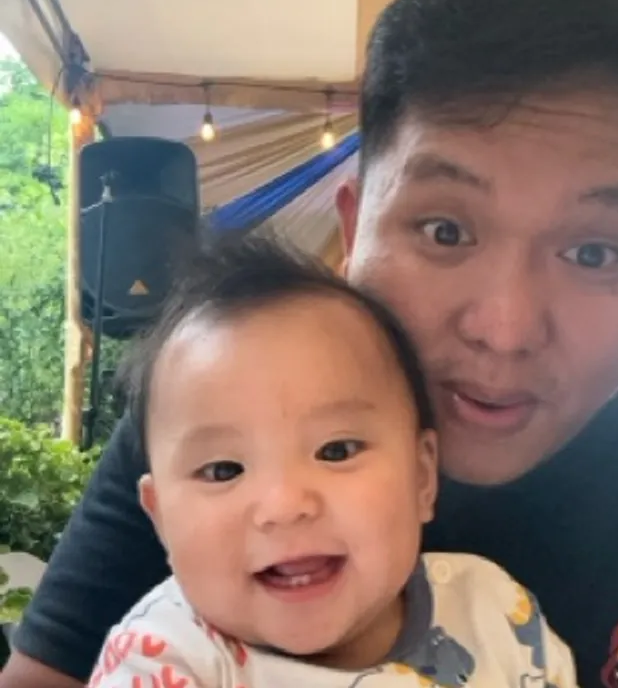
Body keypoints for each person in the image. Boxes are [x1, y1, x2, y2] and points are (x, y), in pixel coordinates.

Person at [3, 0, 618, 686]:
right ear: (352, 229)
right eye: (444, 231)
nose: (504, 329)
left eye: (594, 253)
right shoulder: (219, 423)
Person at [86, 234, 576, 688]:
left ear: (422, 478)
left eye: (336, 451)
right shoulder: (163, 659)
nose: (285, 505)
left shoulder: (492, 614)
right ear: (160, 518)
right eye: (223, 470)